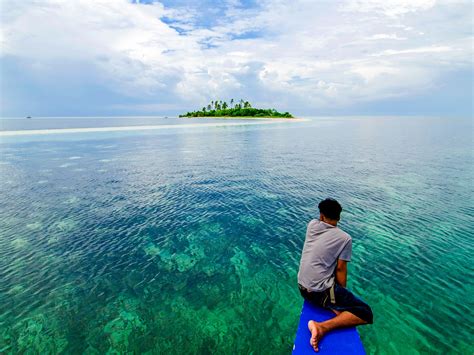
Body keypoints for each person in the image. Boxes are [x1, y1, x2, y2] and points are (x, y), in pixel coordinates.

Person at [298, 198, 373, 352]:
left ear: (321, 216)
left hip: (302, 289)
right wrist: (340, 293)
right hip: (318, 293)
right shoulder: (345, 239)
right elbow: (340, 269)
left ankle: (332, 304)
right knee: (365, 313)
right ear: (339, 217)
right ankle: (321, 327)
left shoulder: (312, 225)